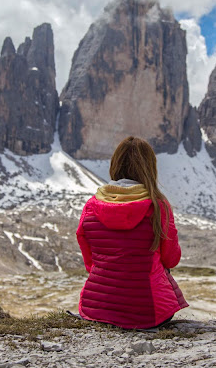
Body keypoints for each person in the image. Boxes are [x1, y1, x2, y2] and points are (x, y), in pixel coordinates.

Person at [76, 136, 188, 329]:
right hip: (148, 314)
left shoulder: (91, 206)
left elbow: (90, 261)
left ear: (115, 164)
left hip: (97, 309)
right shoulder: (158, 206)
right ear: (150, 168)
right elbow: (171, 260)